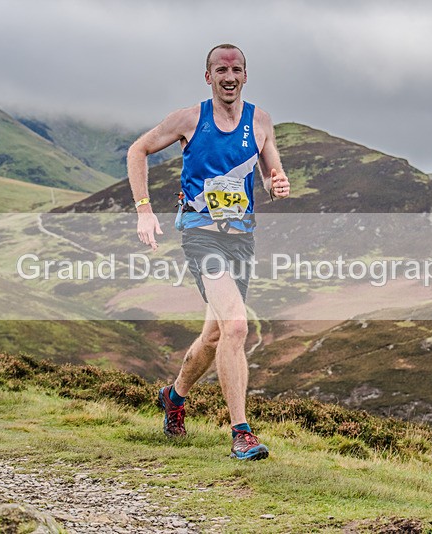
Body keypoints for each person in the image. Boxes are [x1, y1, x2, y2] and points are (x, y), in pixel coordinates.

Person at [127, 43, 290, 460]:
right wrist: (144, 211)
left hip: (242, 239)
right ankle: (241, 434)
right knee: (236, 326)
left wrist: (276, 186)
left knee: (214, 335)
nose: (229, 76)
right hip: (202, 237)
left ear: (246, 75)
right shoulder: (189, 119)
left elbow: (273, 176)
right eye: (221, 69)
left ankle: (174, 397)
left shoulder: (262, 121)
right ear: (209, 76)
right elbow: (137, 150)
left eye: (236, 69)